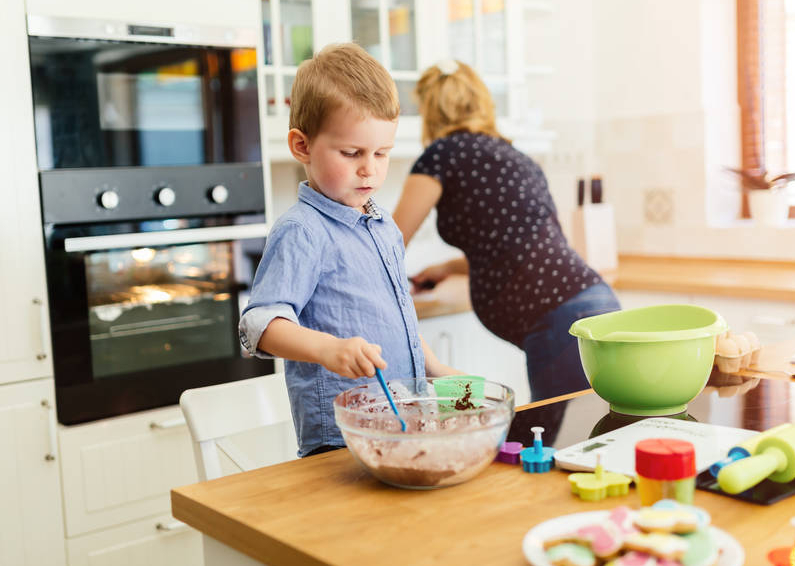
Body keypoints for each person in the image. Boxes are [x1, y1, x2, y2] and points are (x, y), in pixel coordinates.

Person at [238, 44, 459, 457]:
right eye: (352, 153)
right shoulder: (302, 231)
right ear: (302, 146)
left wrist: (432, 368)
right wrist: (329, 349)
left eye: (382, 153)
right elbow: (259, 325)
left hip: (402, 428)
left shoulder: (384, 226)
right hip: (341, 440)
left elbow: (401, 316)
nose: (369, 169)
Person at [392, 59, 621, 403]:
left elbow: (388, 244)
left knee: (557, 448)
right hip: (596, 303)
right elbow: (514, 247)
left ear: (431, 111)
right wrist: (448, 269)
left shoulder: (440, 156)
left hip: (564, 324)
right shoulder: (516, 157)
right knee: (592, 440)